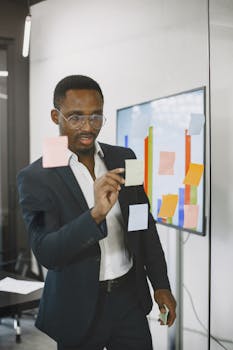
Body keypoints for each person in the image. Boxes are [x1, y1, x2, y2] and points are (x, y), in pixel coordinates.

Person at [17, 75, 176, 350]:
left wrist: (161, 283)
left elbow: (144, 224)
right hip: (77, 307)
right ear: (56, 116)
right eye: (76, 117)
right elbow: (47, 252)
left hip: (129, 300)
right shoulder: (35, 177)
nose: (88, 127)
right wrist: (95, 215)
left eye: (96, 117)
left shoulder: (126, 158)